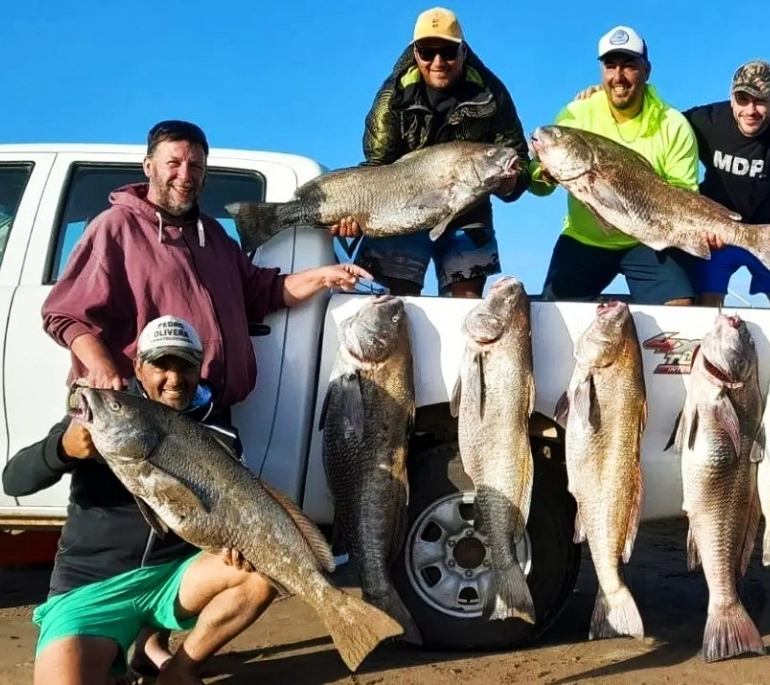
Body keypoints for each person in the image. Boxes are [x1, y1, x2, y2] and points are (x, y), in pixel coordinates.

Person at [3, 315, 276, 685]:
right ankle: (122, 655)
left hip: (170, 580)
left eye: (185, 366)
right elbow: (13, 481)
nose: (174, 379)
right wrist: (62, 450)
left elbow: (228, 514)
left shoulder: (218, 433)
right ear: (138, 367)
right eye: (161, 365)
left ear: (199, 368)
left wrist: (234, 545)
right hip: (93, 584)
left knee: (261, 571)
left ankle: (179, 669)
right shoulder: (105, 412)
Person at [41, 119, 373, 414]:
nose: (185, 175)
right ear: (148, 167)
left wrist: (324, 276)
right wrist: (100, 366)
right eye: (173, 163)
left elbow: (259, 292)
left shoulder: (212, 234)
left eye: (196, 166)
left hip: (207, 408)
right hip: (146, 409)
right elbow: (64, 315)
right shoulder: (115, 227)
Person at [331, 6, 532, 298]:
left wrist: (511, 182)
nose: (438, 62)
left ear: (463, 51)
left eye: (448, 52)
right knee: (395, 301)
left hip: (468, 211)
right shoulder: (392, 97)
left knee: (466, 302)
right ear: (415, 53)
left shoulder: (492, 93)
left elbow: (519, 160)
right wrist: (356, 215)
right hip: (403, 209)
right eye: (427, 53)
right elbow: (378, 167)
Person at [530, 25, 701, 305]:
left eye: (629, 65)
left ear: (647, 70)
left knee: (679, 309)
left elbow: (684, 194)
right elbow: (537, 185)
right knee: (552, 313)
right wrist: (544, 174)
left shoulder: (674, 124)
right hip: (584, 238)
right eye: (610, 66)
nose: (618, 76)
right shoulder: (575, 113)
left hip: (646, 241)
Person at [680, 59, 770, 338]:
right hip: (717, 232)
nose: (750, 110)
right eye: (742, 99)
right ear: (732, 98)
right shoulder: (706, 120)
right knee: (705, 304)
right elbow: (659, 123)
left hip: (766, 232)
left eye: (760, 101)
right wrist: (601, 98)